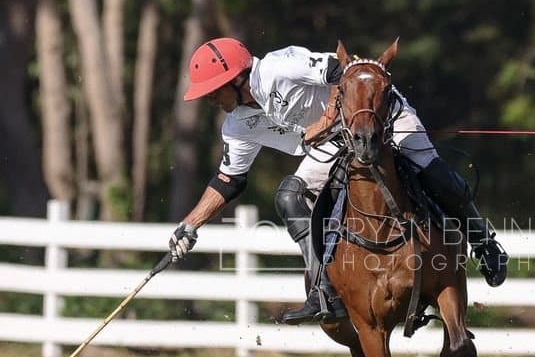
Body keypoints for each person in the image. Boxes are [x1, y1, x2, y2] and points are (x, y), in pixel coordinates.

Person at [166, 37, 509, 325]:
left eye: (213, 90)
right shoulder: (237, 125)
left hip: (378, 117)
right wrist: (190, 225)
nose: (210, 98)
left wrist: (328, 117)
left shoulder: (279, 66)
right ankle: (322, 290)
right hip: (334, 143)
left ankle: (483, 242)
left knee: (431, 169)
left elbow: (342, 72)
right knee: (289, 197)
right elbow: (229, 180)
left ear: (238, 79)